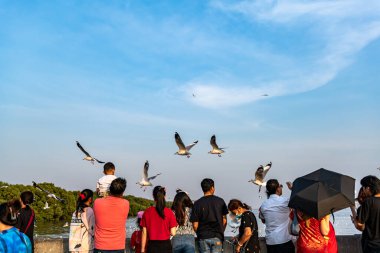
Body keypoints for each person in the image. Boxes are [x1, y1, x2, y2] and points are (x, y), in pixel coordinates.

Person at [190, 178, 228, 253]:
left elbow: (195, 225)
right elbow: (224, 220)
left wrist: (200, 234)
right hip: (217, 236)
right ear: (212, 188)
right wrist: (220, 232)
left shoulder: (197, 203)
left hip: (203, 237)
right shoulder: (220, 201)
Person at [93, 177, 130, 253]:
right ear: (122, 192)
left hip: (100, 246)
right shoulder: (126, 203)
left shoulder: (97, 202)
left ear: (110, 189)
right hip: (118, 246)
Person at [258, 179, 295, 253]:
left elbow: (263, 220)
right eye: (280, 186)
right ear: (278, 189)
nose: (281, 188)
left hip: (271, 242)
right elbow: (298, 201)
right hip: (284, 240)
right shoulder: (286, 201)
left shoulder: (263, 205)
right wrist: (292, 189)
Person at [141, 186, 177, 253]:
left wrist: (142, 249)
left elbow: (144, 232)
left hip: (152, 246)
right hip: (166, 246)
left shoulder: (147, 212)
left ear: (153, 196)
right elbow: (173, 233)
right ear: (165, 196)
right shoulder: (169, 212)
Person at [356, 175, 380, 253]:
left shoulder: (369, 202)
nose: (363, 189)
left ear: (368, 188)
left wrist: (354, 220)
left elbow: (360, 225)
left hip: (371, 245)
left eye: (363, 187)